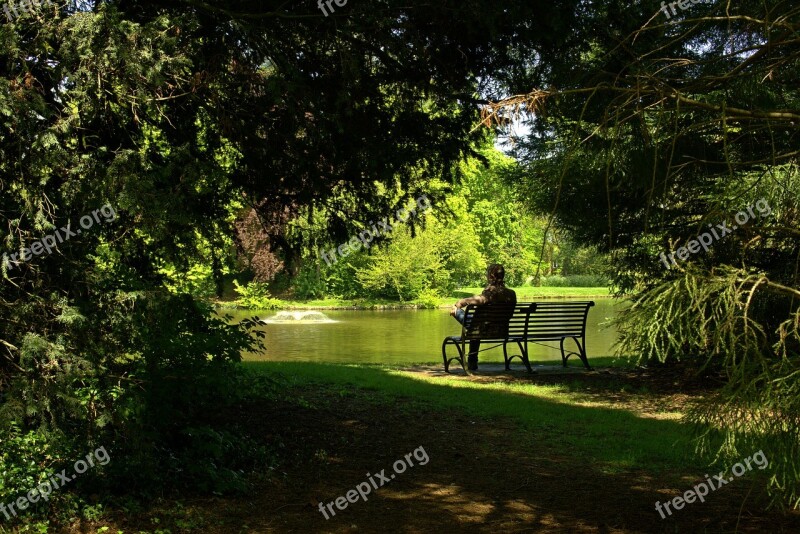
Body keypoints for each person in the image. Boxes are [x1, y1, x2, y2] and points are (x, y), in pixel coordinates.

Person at [450, 264, 517, 370]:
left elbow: (479, 300)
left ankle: (472, 361)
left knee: (466, 320)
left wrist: (458, 303)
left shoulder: (490, 294)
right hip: (502, 331)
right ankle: (472, 361)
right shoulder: (511, 294)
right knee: (475, 327)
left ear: (491, 276)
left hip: (483, 330)